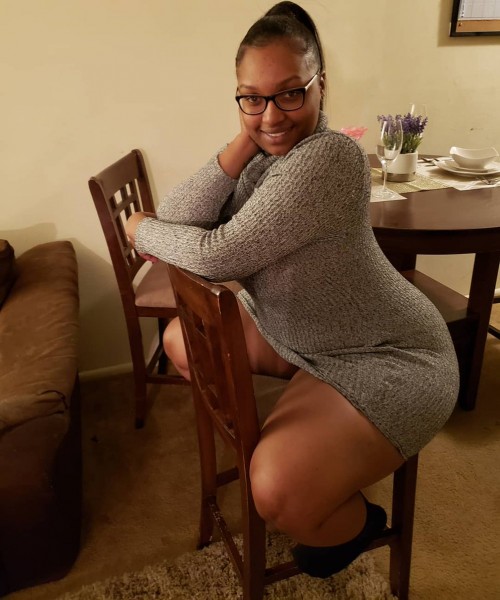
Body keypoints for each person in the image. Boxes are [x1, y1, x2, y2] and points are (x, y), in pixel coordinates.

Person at [125, 1, 459, 578]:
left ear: (320, 85)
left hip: (391, 354)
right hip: (302, 336)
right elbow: (178, 216)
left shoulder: (331, 157)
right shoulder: (263, 155)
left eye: (289, 94)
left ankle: (359, 518)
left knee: (277, 493)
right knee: (181, 340)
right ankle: (313, 453)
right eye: (251, 97)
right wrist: (245, 139)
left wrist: (138, 229)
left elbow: (215, 254)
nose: (272, 114)